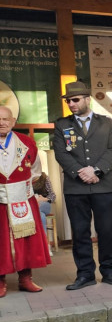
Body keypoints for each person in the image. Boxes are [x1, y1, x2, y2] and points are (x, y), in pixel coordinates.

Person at [51, 81, 112, 289]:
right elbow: (61, 153)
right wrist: (80, 172)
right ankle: (85, 274)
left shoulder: (106, 123)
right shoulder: (62, 125)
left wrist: (96, 170)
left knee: (107, 229)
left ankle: (109, 271)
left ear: (87, 99)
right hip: (76, 187)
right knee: (80, 231)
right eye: (68, 101)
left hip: (104, 185)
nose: (71, 104)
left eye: (75, 100)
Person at [0, 105, 51, 295]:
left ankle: (26, 279)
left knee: (25, 239)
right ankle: (0, 282)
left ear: (13, 121)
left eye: (5, 119)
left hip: (22, 201)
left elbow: (35, 172)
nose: (1, 123)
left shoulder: (27, 142)